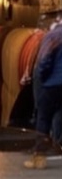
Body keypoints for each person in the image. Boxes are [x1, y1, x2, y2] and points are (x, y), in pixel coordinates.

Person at [24, 16, 62, 169]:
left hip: (52, 83)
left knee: (43, 118)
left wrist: (42, 78)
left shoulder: (53, 36)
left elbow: (44, 61)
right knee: (60, 116)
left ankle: (39, 157)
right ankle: (58, 147)